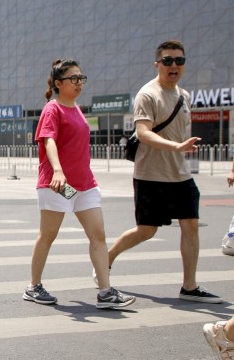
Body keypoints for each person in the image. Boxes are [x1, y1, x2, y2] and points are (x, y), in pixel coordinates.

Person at [106, 40, 223, 304]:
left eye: (179, 61)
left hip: (181, 175)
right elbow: (144, 132)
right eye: (168, 61)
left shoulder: (185, 96)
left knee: (191, 225)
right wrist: (176, 146)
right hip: (151, 175)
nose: (174, 66)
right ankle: (107, 258)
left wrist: (181, 147)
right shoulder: (147, 94)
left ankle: (190, 287)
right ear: (157, 64)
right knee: (146, 231)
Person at [25, 59, 135, 309]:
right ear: (58, 83)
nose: (79, 83)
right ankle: (34, 287)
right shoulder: (53, 109)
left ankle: (105, 292)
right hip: (59, 184)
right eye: (73, 79)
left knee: (98, 235)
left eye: (81, 78)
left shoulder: (76, 108)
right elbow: (48, 141)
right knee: (48, 236)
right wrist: (58, 171)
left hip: (84, 185)